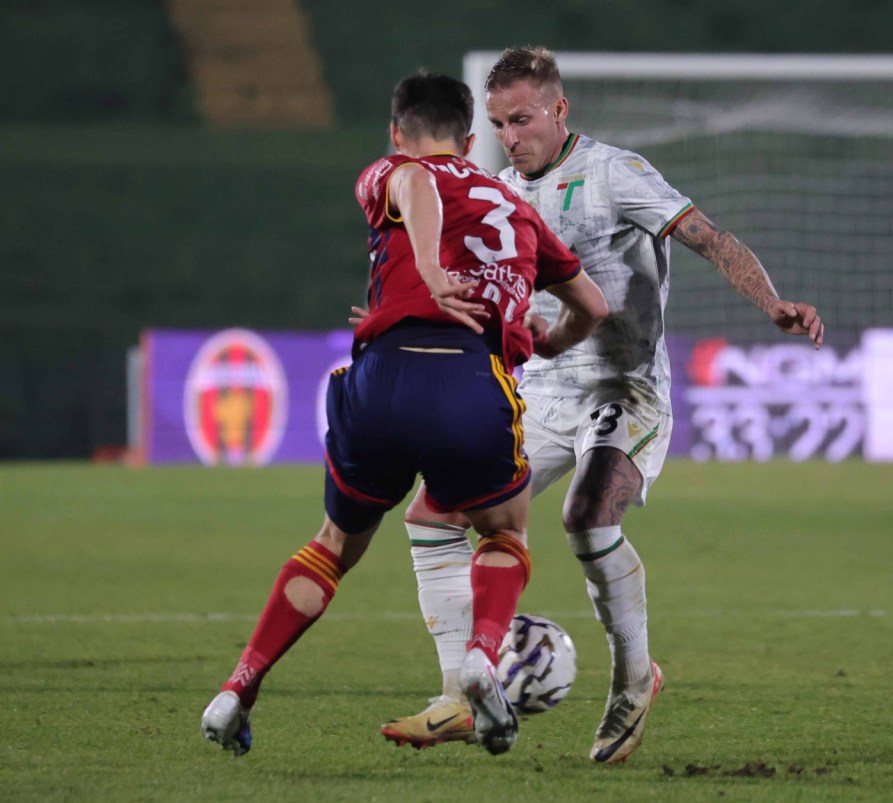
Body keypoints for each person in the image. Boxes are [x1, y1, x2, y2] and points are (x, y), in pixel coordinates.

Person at [380, 47, 825, 764]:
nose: (511, 135)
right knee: (433, 515)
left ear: (559, 110)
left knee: (587, 517)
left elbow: (709, 238)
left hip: (625, 388)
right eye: (497, 123)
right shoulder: (494, 191)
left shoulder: (615, 172)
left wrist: (770, 301)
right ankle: (460, 694)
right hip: (538, 391)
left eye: (522, 119)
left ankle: (631, 680)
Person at [199, 71, 608, 758]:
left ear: (397, 133)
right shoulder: (518, 209)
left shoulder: (391, 172)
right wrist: (541, 338)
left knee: (333, 545)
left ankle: (238, 686)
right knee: (503, 532)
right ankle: (482, 657)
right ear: (473, 140)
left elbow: (414, 183)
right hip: (472, 384)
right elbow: (592, 307)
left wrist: (426, 273)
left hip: (383, 379)